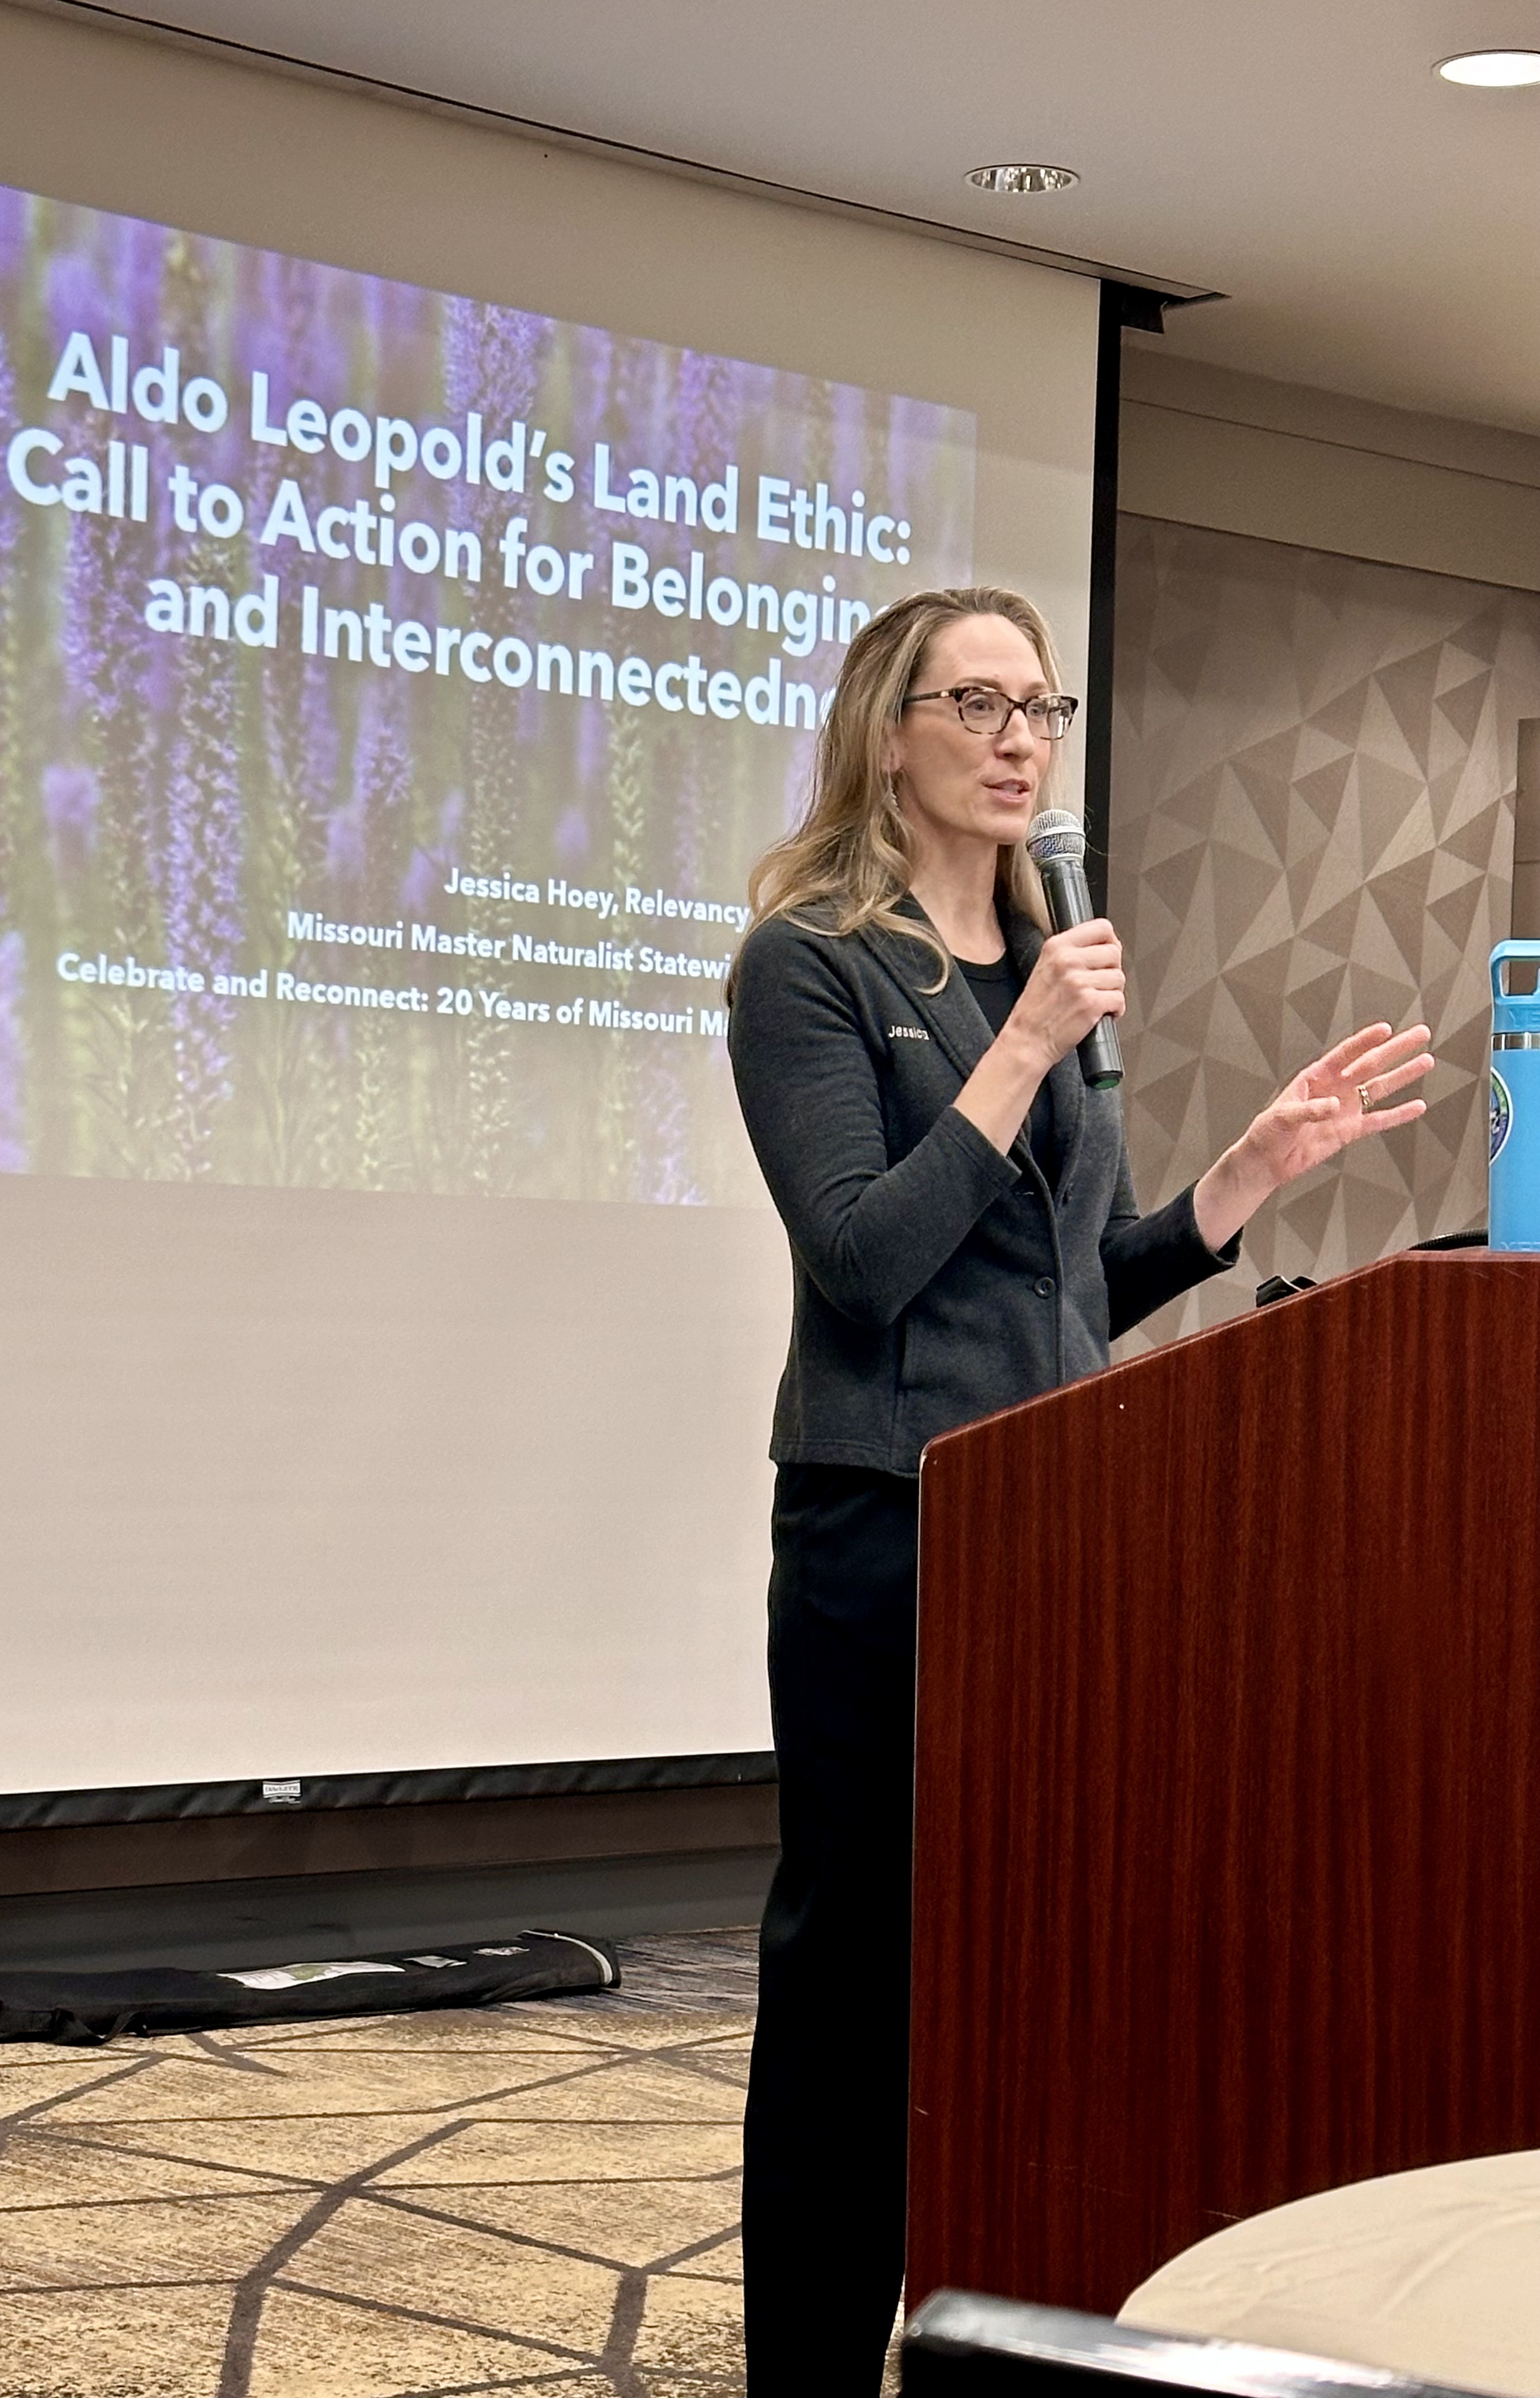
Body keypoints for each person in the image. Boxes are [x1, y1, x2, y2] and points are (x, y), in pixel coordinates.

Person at [725, 586, 1434, 2395]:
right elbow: (869, 1267)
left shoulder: (1052, 944)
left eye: (1037, 702)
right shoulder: (812, 965)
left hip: (1061, 1526)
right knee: (856, 1985)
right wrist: (1026, 1042)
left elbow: (1063, 1293)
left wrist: (1245, 1182)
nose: (1021, 734)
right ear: (892, 734)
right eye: (976, 702)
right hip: (891, 1528)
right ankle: (809, 2370)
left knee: (1040, 1965)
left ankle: (1002, 2333)